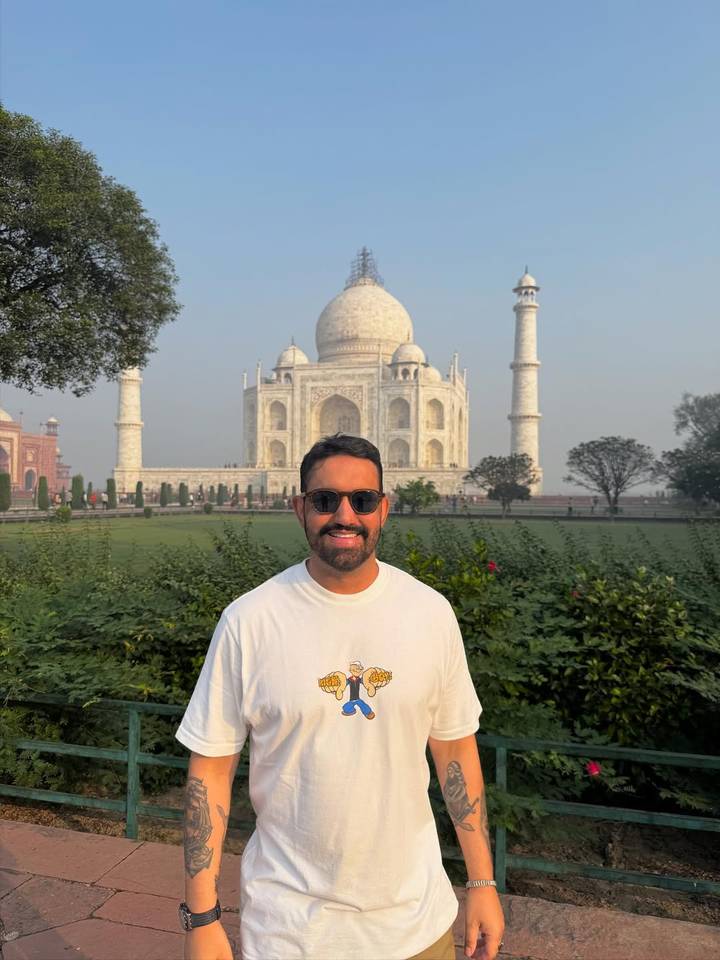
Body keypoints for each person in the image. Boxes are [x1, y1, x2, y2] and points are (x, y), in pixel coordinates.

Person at [175, 434, 504, 960]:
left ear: (384, 510)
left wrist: (482, 883)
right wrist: (202, 916)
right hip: (291, 933)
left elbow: (455, 753)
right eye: (326, 500)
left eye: (363, 501)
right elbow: (210, 773)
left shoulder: (429, 613)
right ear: (301, 509)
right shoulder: (250, 622)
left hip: (417, 925)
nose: (345, 515)